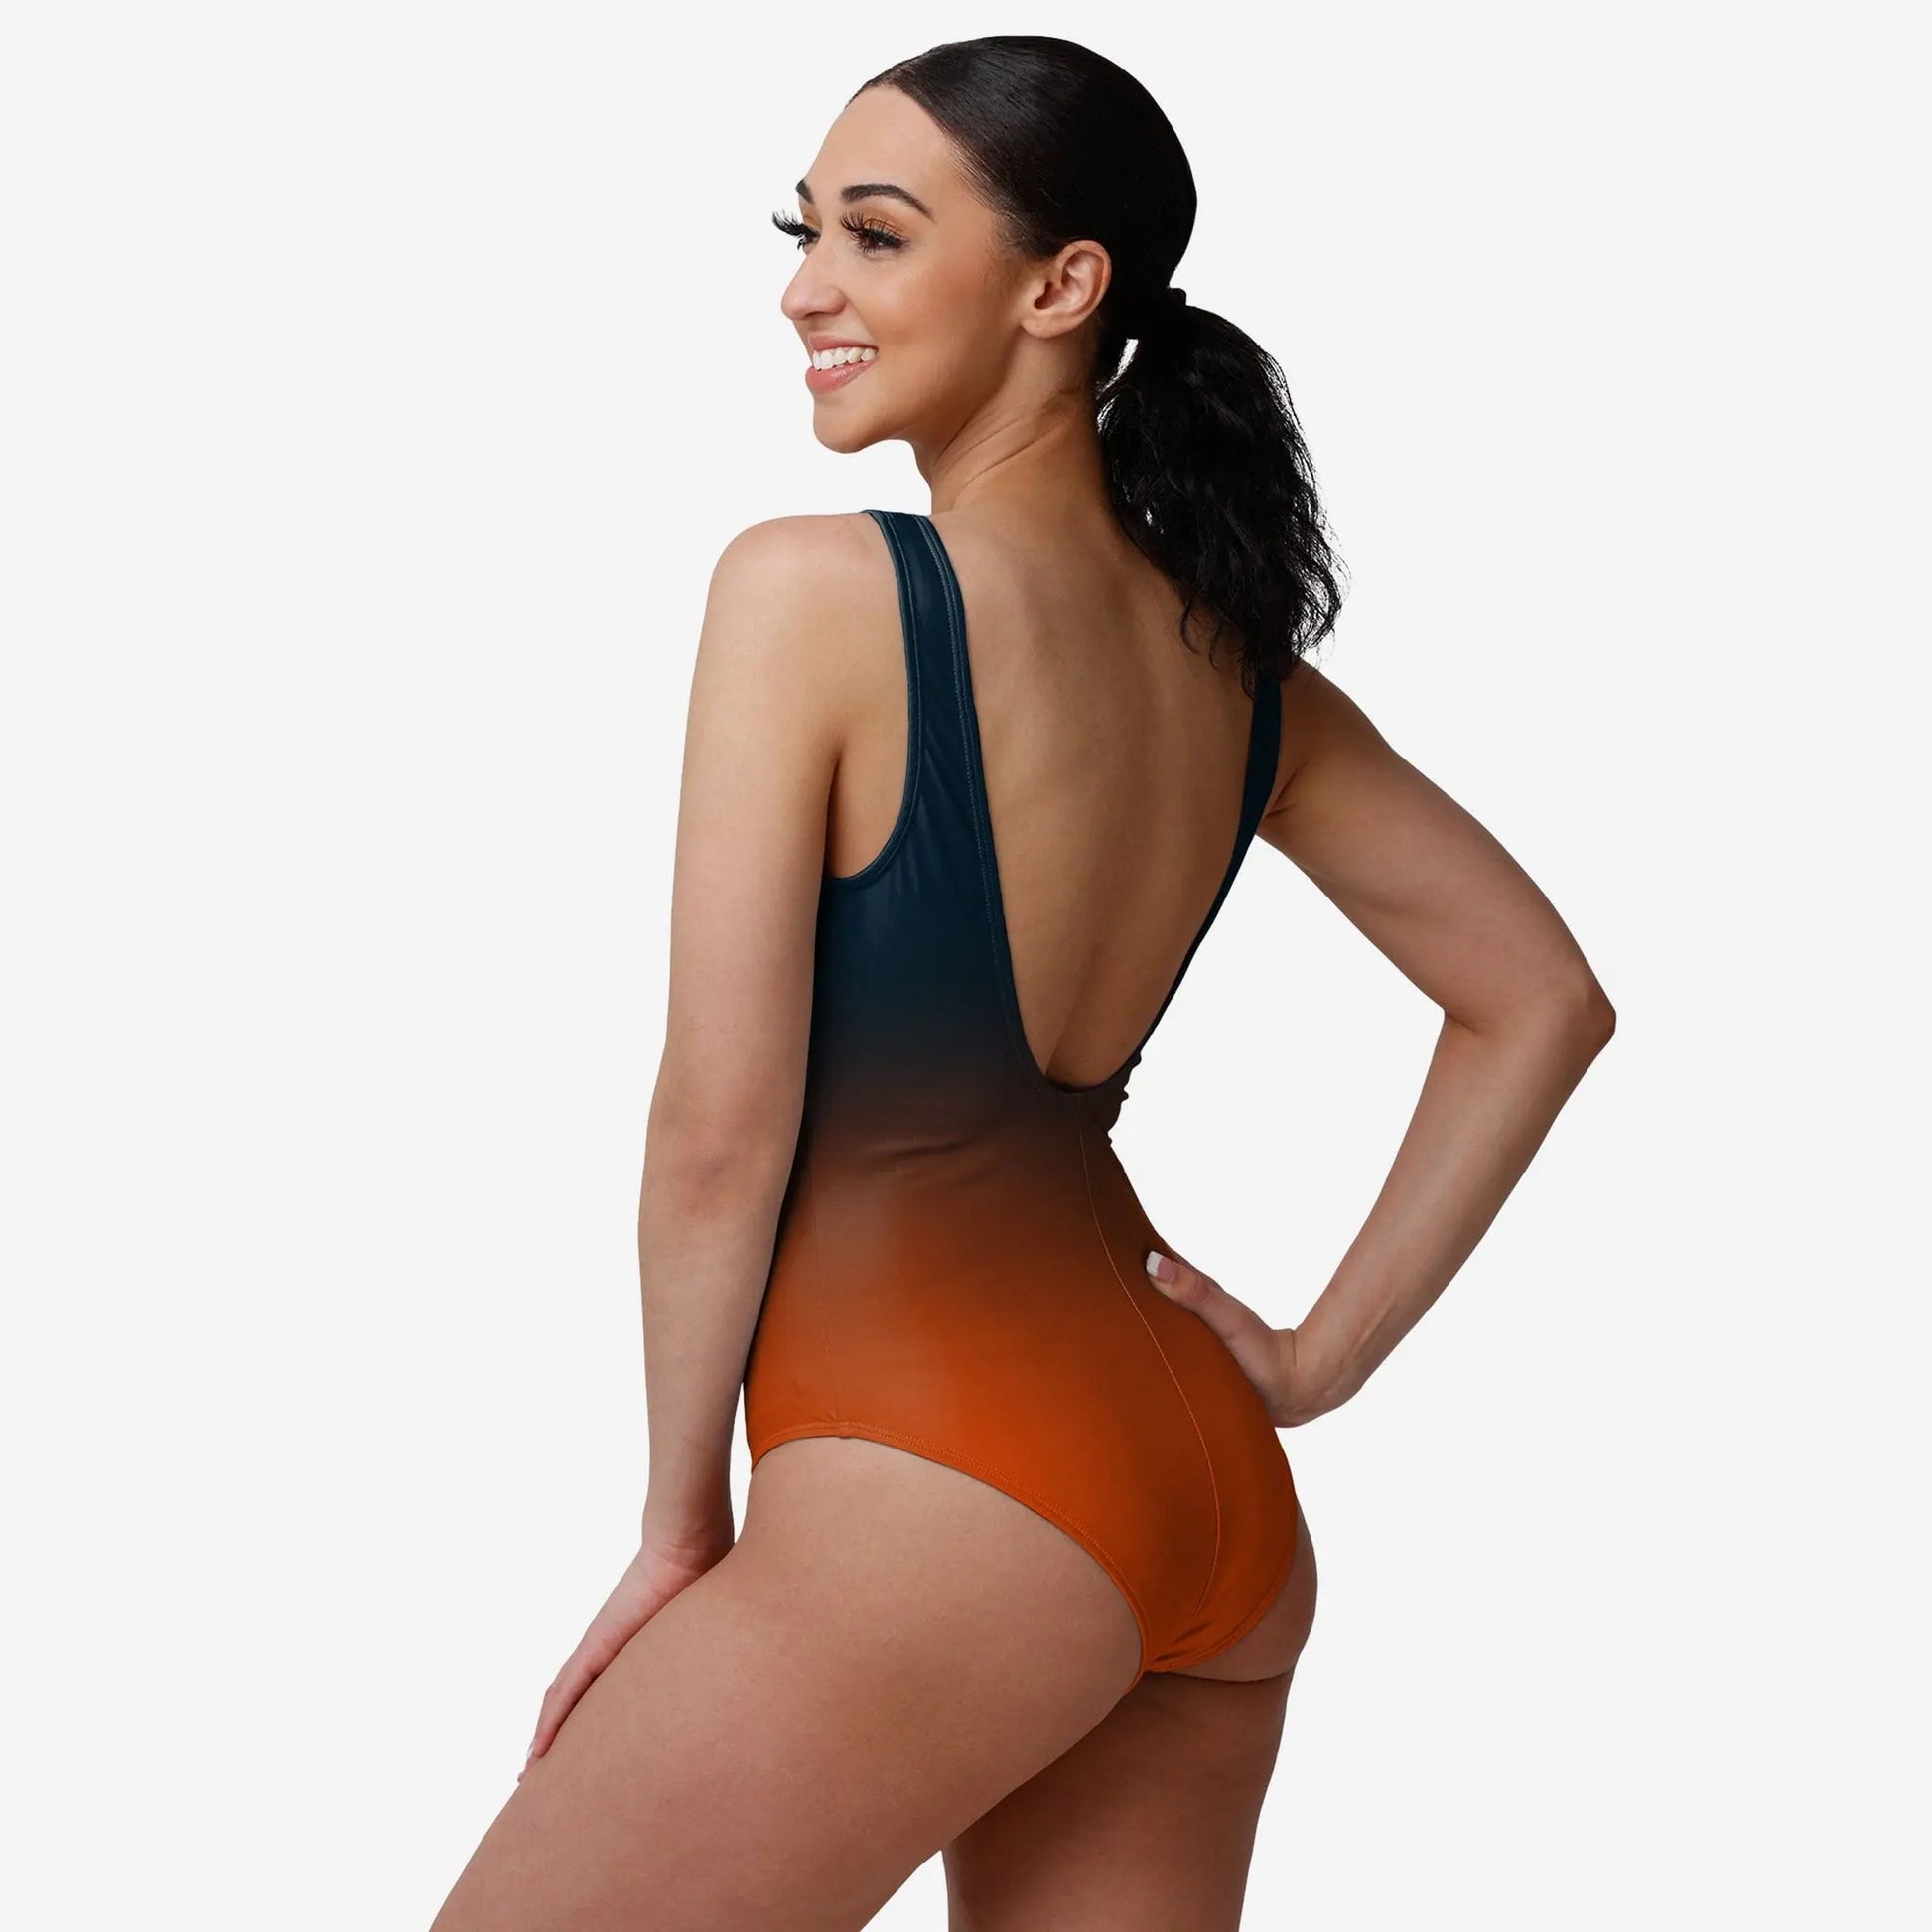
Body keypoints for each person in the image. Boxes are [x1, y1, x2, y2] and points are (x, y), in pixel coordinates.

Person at [430, 33, 1613, 1932]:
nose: (806, 289)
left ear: (1062, 288)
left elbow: (718, 1131)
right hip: (1207, 1501)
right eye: (805, 234)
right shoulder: (1247, 681)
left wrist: (678, 1526)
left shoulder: (816, 592)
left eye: (878, 235)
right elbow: (1539, 996)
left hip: (942, 1479)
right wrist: (1305, 1365)